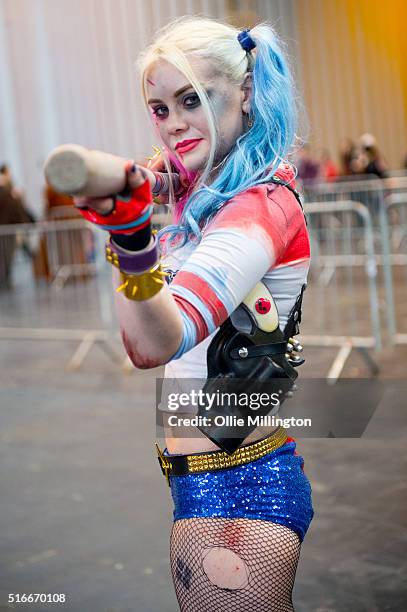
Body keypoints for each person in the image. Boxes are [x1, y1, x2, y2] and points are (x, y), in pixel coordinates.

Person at [74, 17, 313, 611]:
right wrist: (125, 217)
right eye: (158, 108)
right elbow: (138, 340)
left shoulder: (260, 206)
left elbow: (159, 342)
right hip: (203, 481)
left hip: (238, 497)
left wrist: (132, 240)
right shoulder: (200, 198)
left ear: (246, 93)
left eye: (193, 99)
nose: (174, 124)